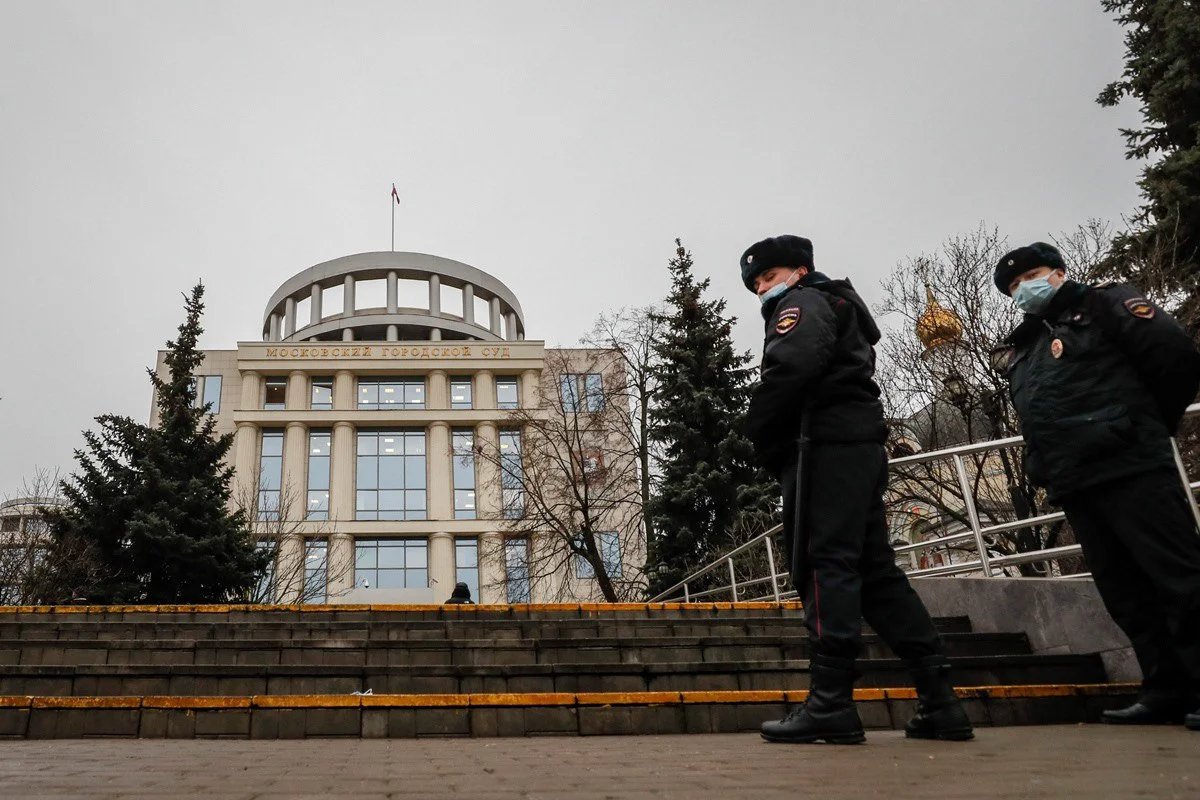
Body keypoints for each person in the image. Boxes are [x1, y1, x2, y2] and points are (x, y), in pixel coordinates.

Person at [741, 234, 973, 744]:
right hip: (855, 444)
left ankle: (830, 702)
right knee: (876, 574)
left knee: (827, 564)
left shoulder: (805, 303)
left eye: (769, 276)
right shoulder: (833, 304)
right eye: (756, 283)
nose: (762, 288)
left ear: (799, 271)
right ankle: (940, 699)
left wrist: (756, 427)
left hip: (823, 445)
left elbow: (794, 367)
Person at [991, 242, 1200, 731]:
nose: (1024, 288)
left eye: (1034, 275)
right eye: (1014, 286)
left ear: (1061, 272)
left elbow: (1175, 356)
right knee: (1124, 592)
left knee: (1179, 579)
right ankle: (1164, 688)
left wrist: (1144, 425)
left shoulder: (1104, 304)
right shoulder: (1026, 346)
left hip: (1132, 466)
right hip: (1077, 481)